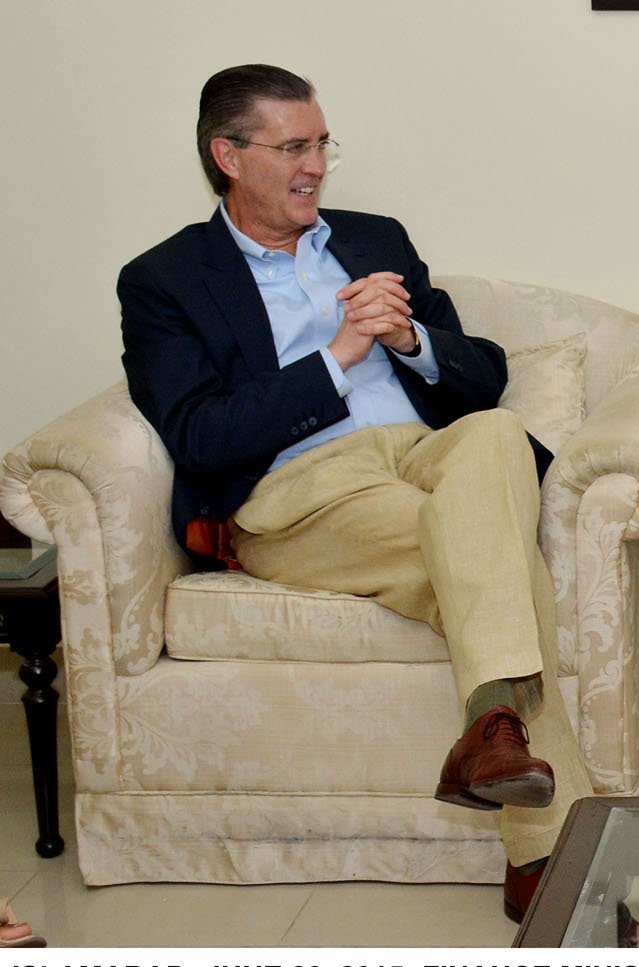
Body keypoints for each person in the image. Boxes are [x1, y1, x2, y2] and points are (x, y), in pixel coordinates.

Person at [117, 64, 587, 922]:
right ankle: (556, 854)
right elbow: (200, 435)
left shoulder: (375, 239)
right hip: (300, 493)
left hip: (426, 454)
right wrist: (335, 357)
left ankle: (495, 749)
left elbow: (482, 381)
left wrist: (408, 337)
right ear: (227, 154)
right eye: (292, 146)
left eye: (321, 143)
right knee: (498, 556)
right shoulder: (165, 281)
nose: (316, 165)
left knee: (493, 436)